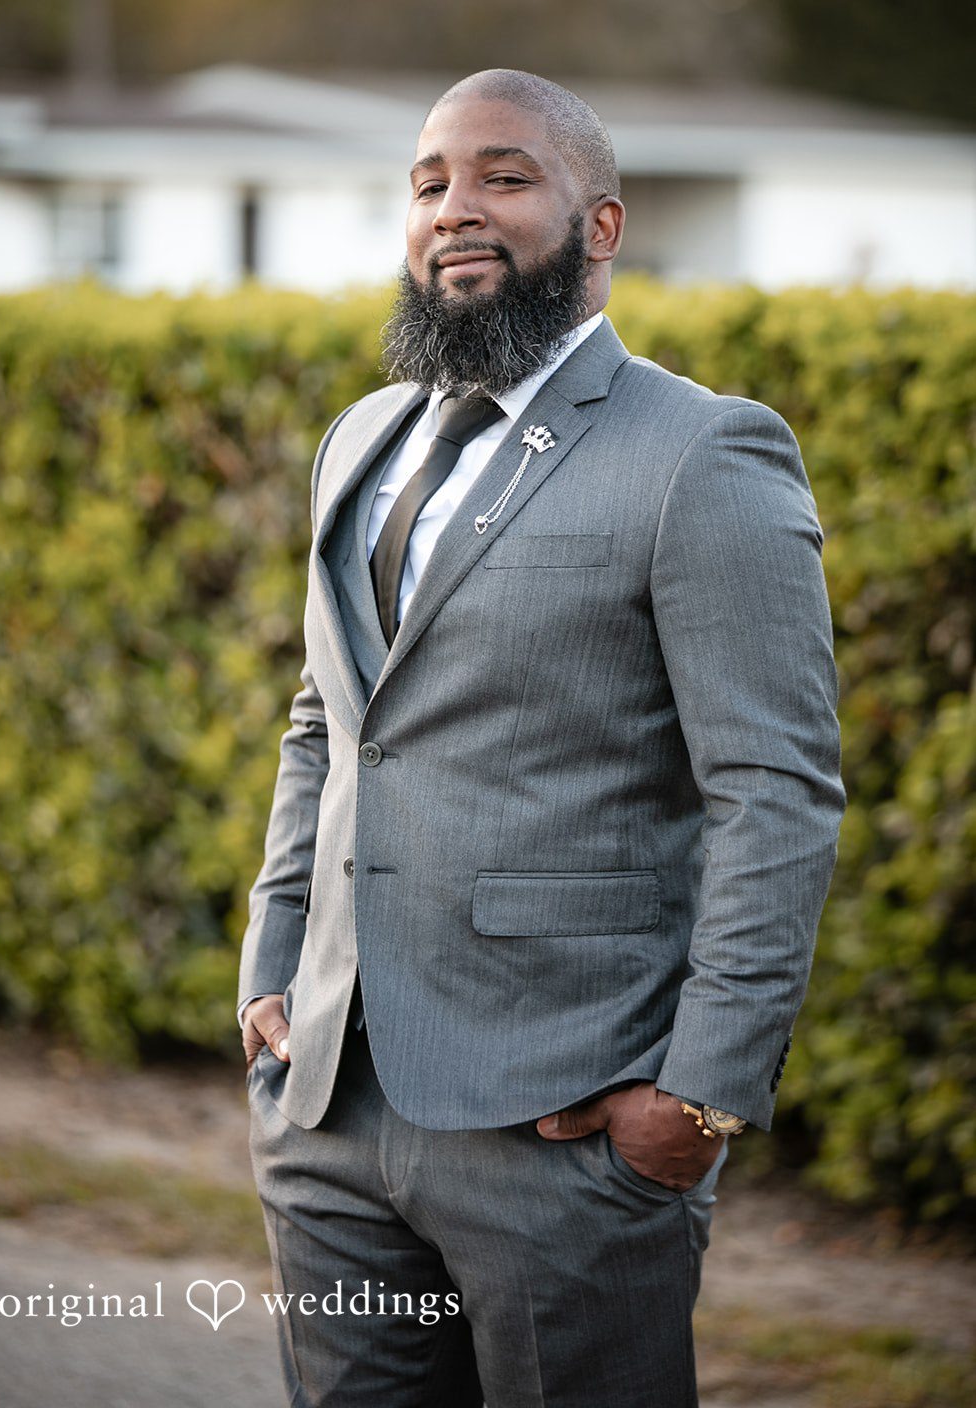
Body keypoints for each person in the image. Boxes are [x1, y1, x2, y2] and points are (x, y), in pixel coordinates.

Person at [238, 68, 845, 1408]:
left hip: (566, 1128)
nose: (456, 208)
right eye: (429, 181)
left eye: (505, 176)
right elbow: (327, 721)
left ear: (602, 226)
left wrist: (702, 1100)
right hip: (327, 1109)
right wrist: (271, 959)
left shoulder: (703, 454)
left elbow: (776, 792)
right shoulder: (363, 439)